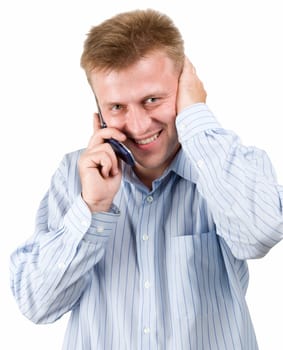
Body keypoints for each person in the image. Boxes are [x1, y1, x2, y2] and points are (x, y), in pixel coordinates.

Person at [10, 8, 283, 350]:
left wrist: (196, 116)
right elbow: (37, 305)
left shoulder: (228, 164)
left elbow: (260, 235)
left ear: (186, 88)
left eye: (152, 99)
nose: (138, 126)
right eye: (117, 107)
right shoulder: (73, 175)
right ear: (98, 109)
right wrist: (92, 209)